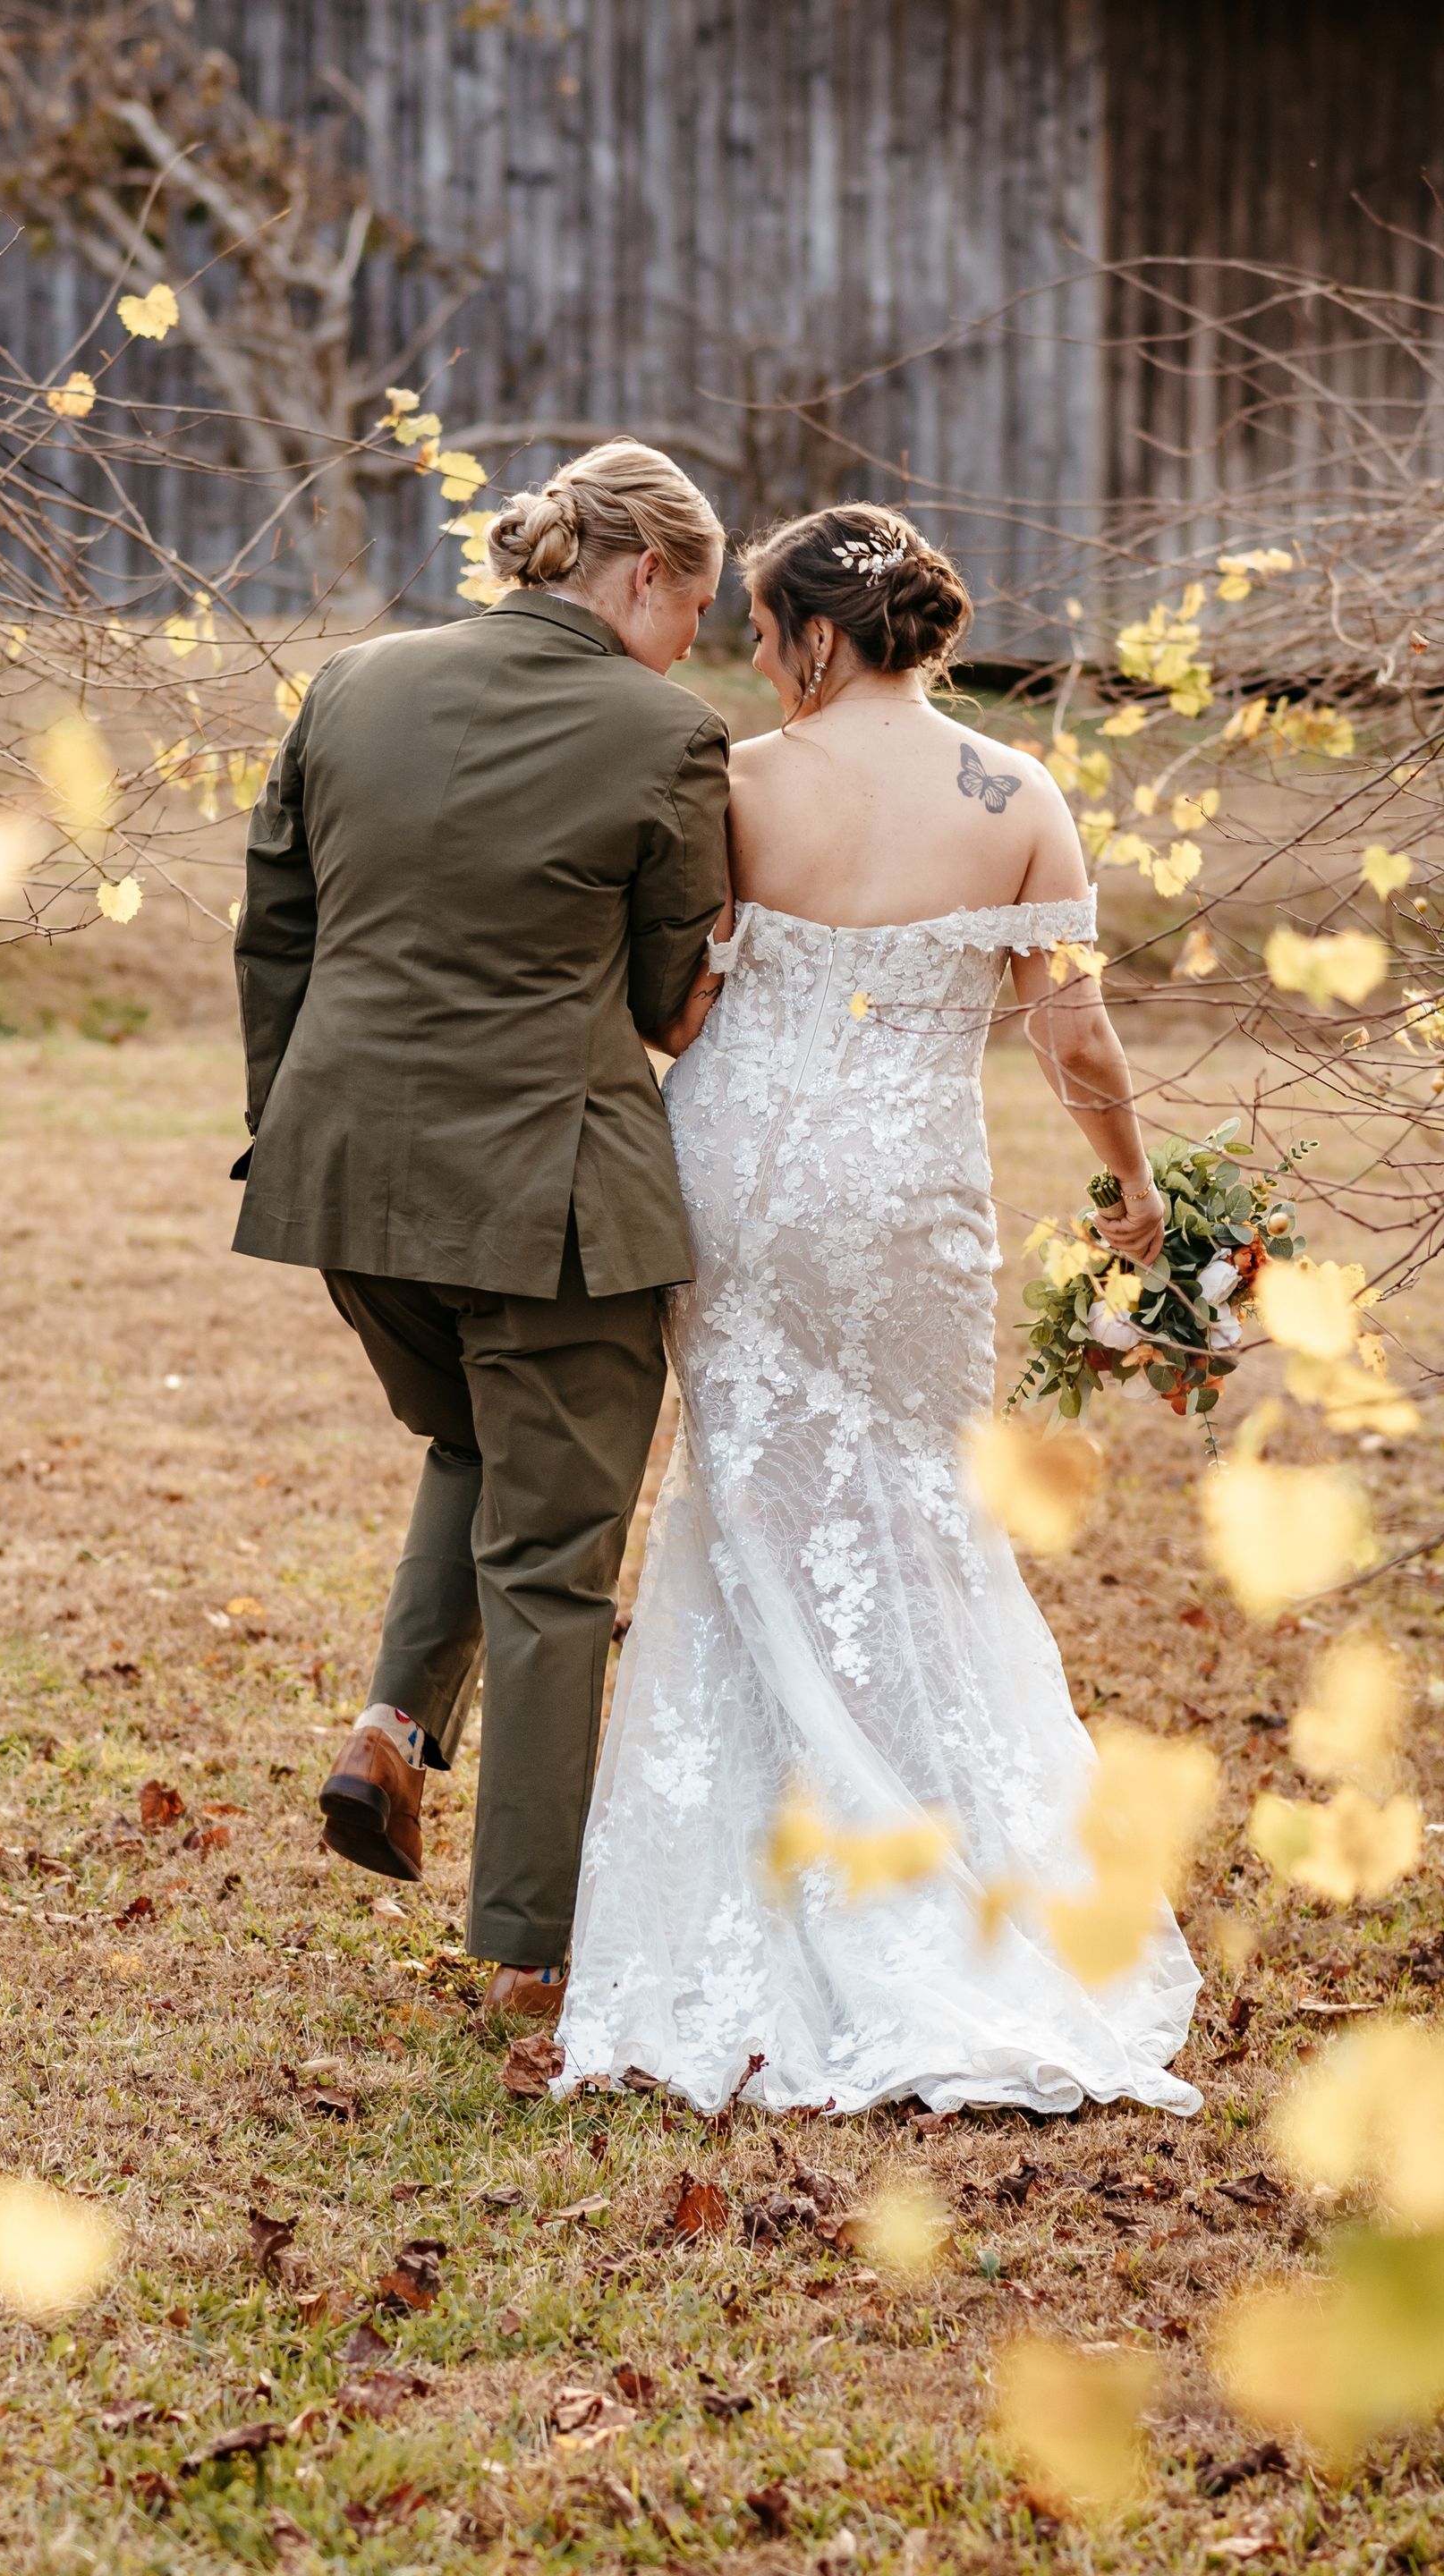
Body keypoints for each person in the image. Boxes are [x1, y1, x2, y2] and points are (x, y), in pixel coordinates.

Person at [556, 500, 1202, 2114]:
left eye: (766, 635)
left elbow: (681, 988)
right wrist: (1130, 1190)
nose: (758, 663)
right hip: (913, 1199)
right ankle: (946, 1869)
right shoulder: (1018, 793)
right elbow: (1078, 1044)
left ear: (818, 638)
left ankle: (760, 1886)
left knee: (751, 1504)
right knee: (920, 1508)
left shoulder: (742, 781)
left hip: (742, 1190)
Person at [232, 440, 728, 2021]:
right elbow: (665, 1002)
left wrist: (304, 1121)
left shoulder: (353, 684)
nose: (695, 645)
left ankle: (390, 1725)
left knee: (473, 1444)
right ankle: (529, 1952)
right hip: (551, 1203)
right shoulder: (669, 734)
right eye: (695, 608)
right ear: (646, 575)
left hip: (345, 1183)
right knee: (559, 1565)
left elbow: (277, 931)